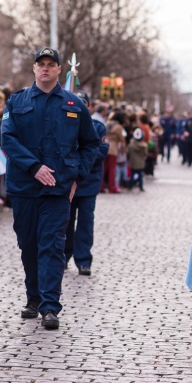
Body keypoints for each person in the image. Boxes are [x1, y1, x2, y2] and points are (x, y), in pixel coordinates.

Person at [1, 47, 99, 330]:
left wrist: (77, 176)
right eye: (40, 64)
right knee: (28, 245)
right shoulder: (17, 101)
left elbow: (91, 144)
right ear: (34, 68)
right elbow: (8, 139)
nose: (45, 69)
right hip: (25, 187)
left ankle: (49, 306)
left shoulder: (74, 104)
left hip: (58, 190)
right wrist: (34, 166)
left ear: (59, 69)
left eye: (50, 64)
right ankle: (33, 298)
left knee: (52, 246)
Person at [64, 90, 109, 276]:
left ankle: (83, 260)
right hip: (67, 182)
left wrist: (80, 158)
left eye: (83, 102)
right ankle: (63, 257)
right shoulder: (65, 124)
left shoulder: (98, 127)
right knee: (65, 222)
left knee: (85, 222)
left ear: (88, 106)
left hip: (88, 183)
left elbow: (101, 151)